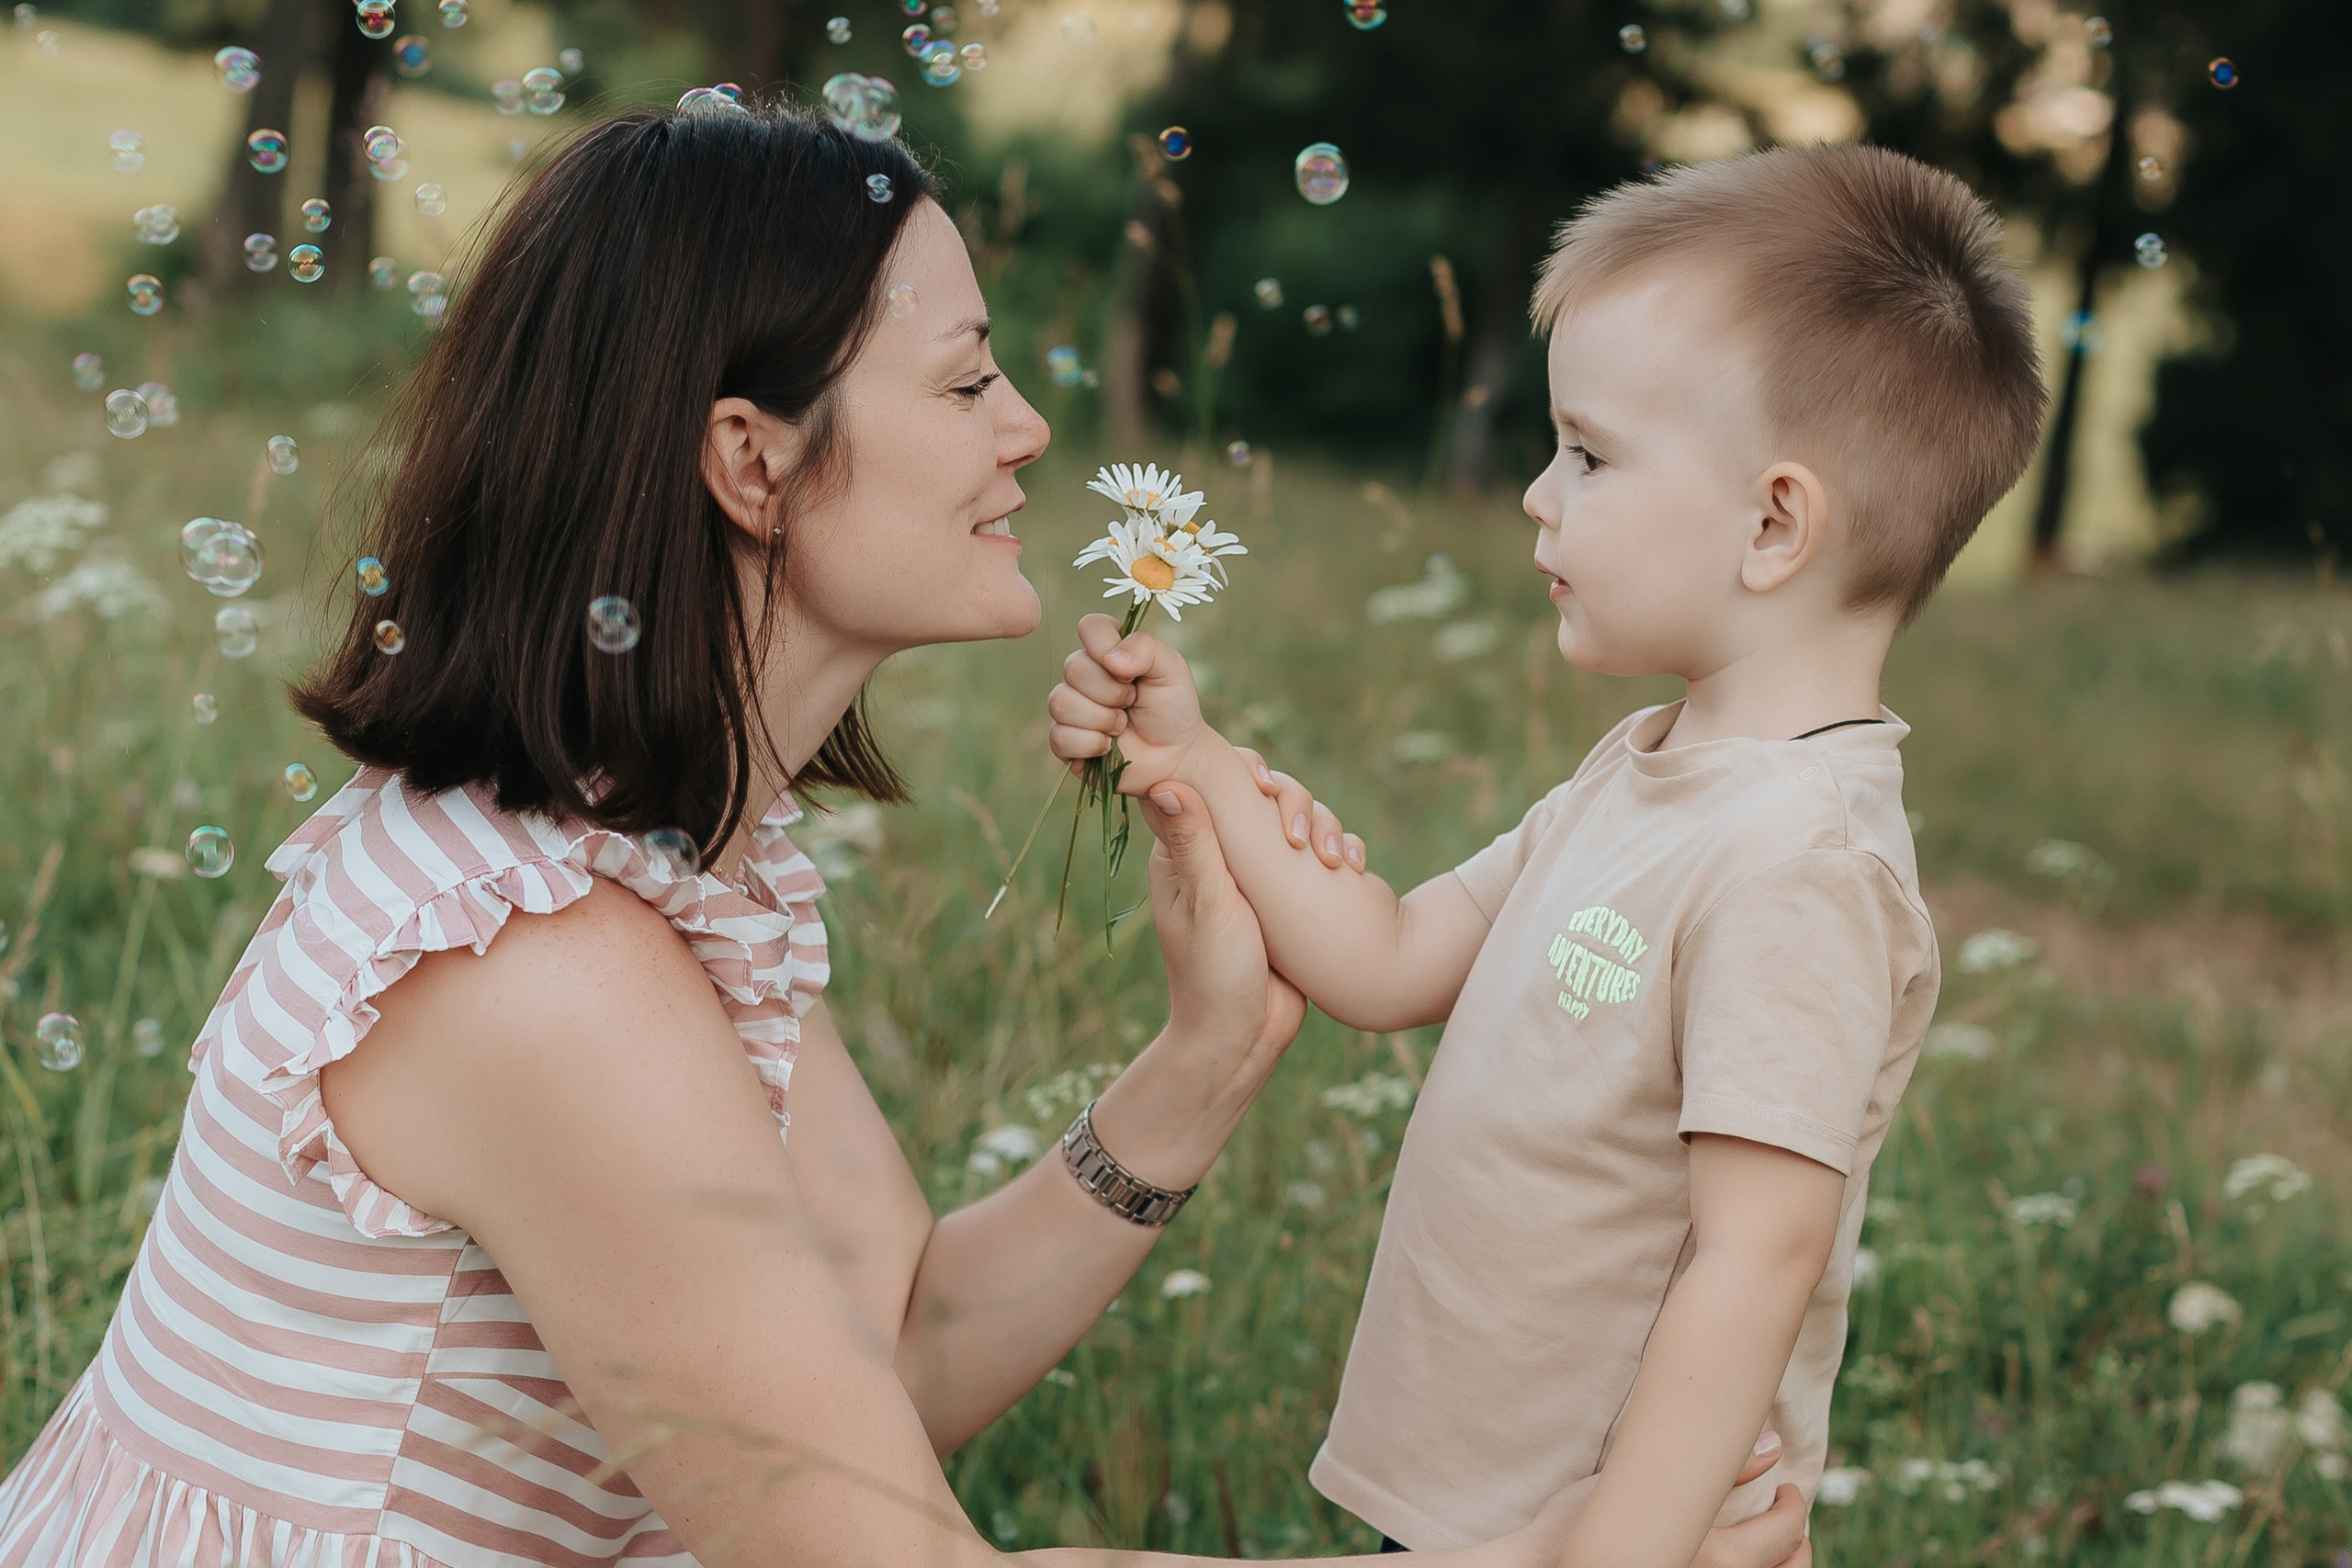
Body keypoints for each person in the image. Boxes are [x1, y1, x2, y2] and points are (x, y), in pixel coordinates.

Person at [0, 104, 1815, 1568]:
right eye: (961, 382)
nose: (1027, 428)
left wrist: (1199, 1060)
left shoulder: (660, 864)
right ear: (750, 462)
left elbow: (888, 1346)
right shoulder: (542, 979)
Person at [1047, 143, 2049, 1562]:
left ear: (1774, 524)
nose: (1536, 493)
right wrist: (1196, 761)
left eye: (1587, 453)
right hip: (1480, 1523)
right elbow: (1385, 957)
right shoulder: (1636, 777)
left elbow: (1757, 1255)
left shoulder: (1797, 863)